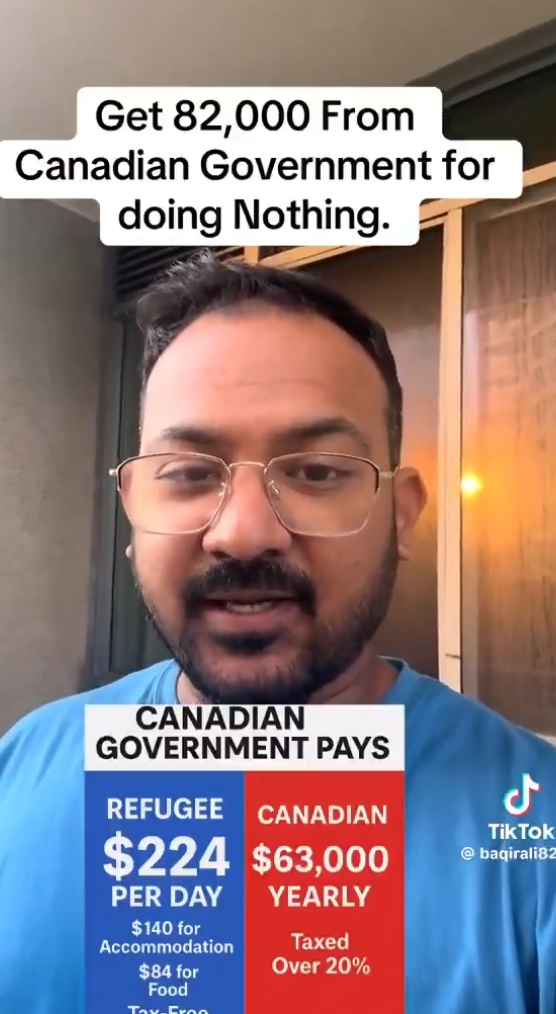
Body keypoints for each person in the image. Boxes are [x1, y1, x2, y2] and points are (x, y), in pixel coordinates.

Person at [0, 250, 555, 1014]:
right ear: (133, 513)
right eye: (190, 472)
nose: (243, 533)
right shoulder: (21, 767)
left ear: (400, 517)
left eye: (316, 471)